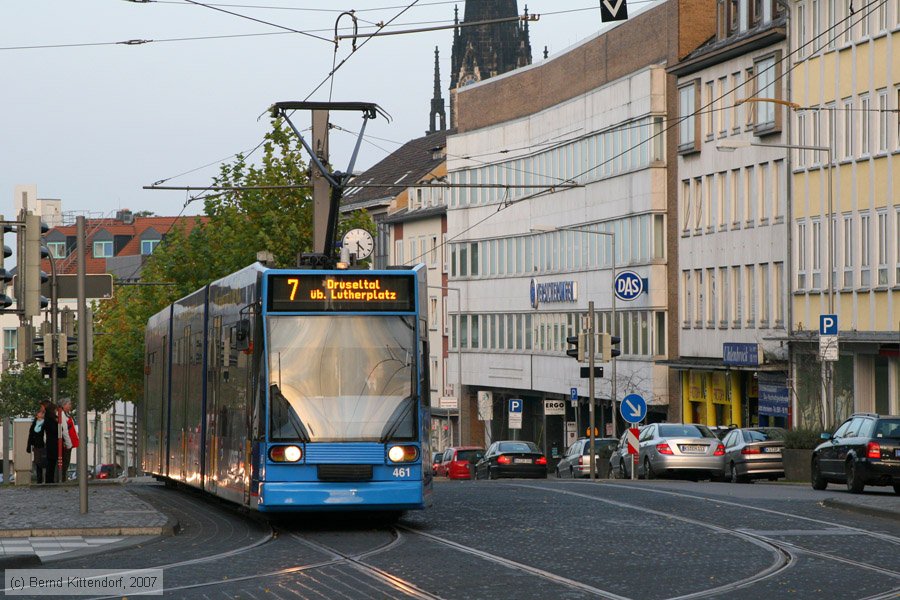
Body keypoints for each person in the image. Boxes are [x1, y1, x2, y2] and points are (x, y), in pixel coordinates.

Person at [26, 405, 47, 484]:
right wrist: (29, 446)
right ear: (37, 415)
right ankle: (39, 479)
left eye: (42, 413)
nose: (41, 414)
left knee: (45, 461)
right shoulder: (34, 424)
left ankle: (46, 479)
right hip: (37, 447)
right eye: (40, 413)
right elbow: (30, 436)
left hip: (44, 446)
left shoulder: (45, 423)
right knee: (38, 462)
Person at [59, 398, 79, 479]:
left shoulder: (67, 414)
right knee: (65, 461)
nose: (70, 406)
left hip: (69, 441)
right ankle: (62, 477)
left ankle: (63, 477)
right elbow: (64, 429)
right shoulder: (63, 414)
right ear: (64, 405)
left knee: (66, 461)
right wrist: (68, 443)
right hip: (66, 442)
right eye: (69, 404)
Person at [42, 400, 61, 483]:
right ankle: (50, 480)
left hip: (51, 441)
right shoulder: (51, 418)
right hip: (52, 442)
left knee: (51, 462)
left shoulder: (49, 418)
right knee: (51, 462)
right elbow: (56, 429)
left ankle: (50, 479)